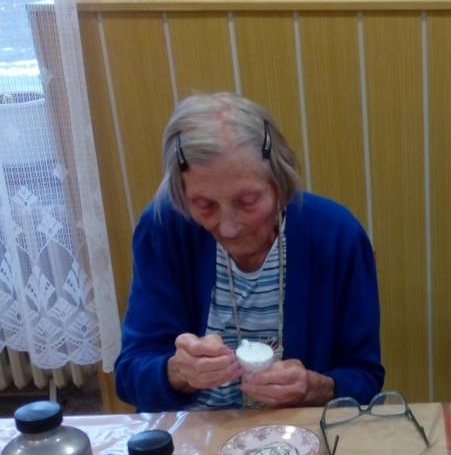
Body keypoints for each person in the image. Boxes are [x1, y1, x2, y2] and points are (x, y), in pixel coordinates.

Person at [115, 93, 384, 412]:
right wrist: (177, 372)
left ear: (280, 183)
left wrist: (315, 388)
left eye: (247, 201)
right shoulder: (164, 229)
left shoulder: (336, 235)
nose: (228, 228)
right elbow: (129, 374)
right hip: (193, 430)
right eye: (205, 205)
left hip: (298, 433)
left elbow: (365, 378)